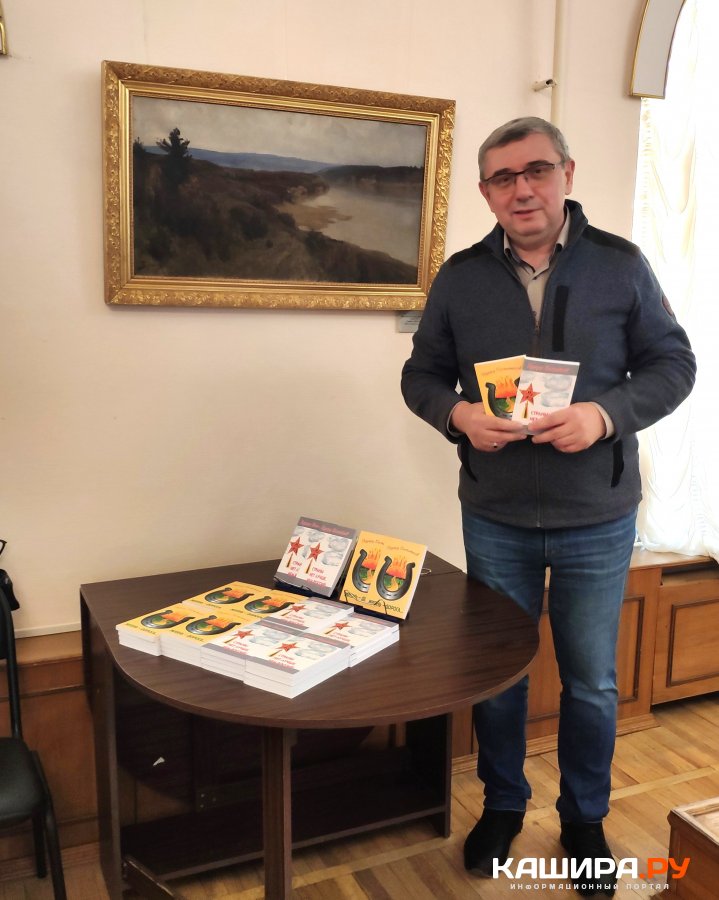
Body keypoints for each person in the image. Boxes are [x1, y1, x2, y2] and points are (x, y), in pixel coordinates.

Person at [401, 117, 696, 898]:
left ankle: (584, 819)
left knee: (591, 682)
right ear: (484, 192)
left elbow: (673, 364)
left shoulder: (620, 265)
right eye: (503, 177)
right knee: (498, 675)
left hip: (596, 517)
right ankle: (502, 805)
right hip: (492, 515)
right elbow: (420, 376)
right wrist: (458, 416)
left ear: (566, 172)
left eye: (535, 170)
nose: (521, 189)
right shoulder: (460, 276)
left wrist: (603, 416)